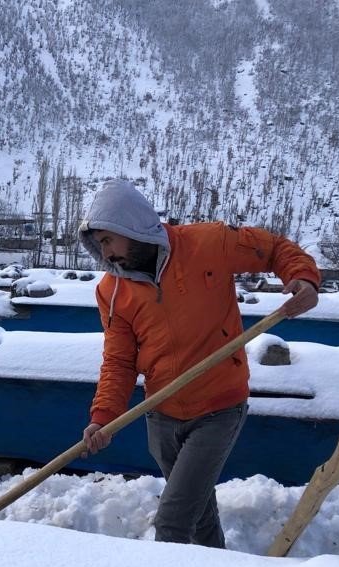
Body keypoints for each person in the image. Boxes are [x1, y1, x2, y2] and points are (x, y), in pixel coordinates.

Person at [77, 179, 320, 548]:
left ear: (130, 225)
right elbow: (119, 361)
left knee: (173, 520)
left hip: (218, 408)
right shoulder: (111, 291)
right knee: (199, 509)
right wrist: (103, 417)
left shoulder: (208, 243)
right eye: (99, 243)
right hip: (160, 413)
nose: (105, 252)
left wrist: (302, 278)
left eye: (108, 239)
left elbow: (274, 248)